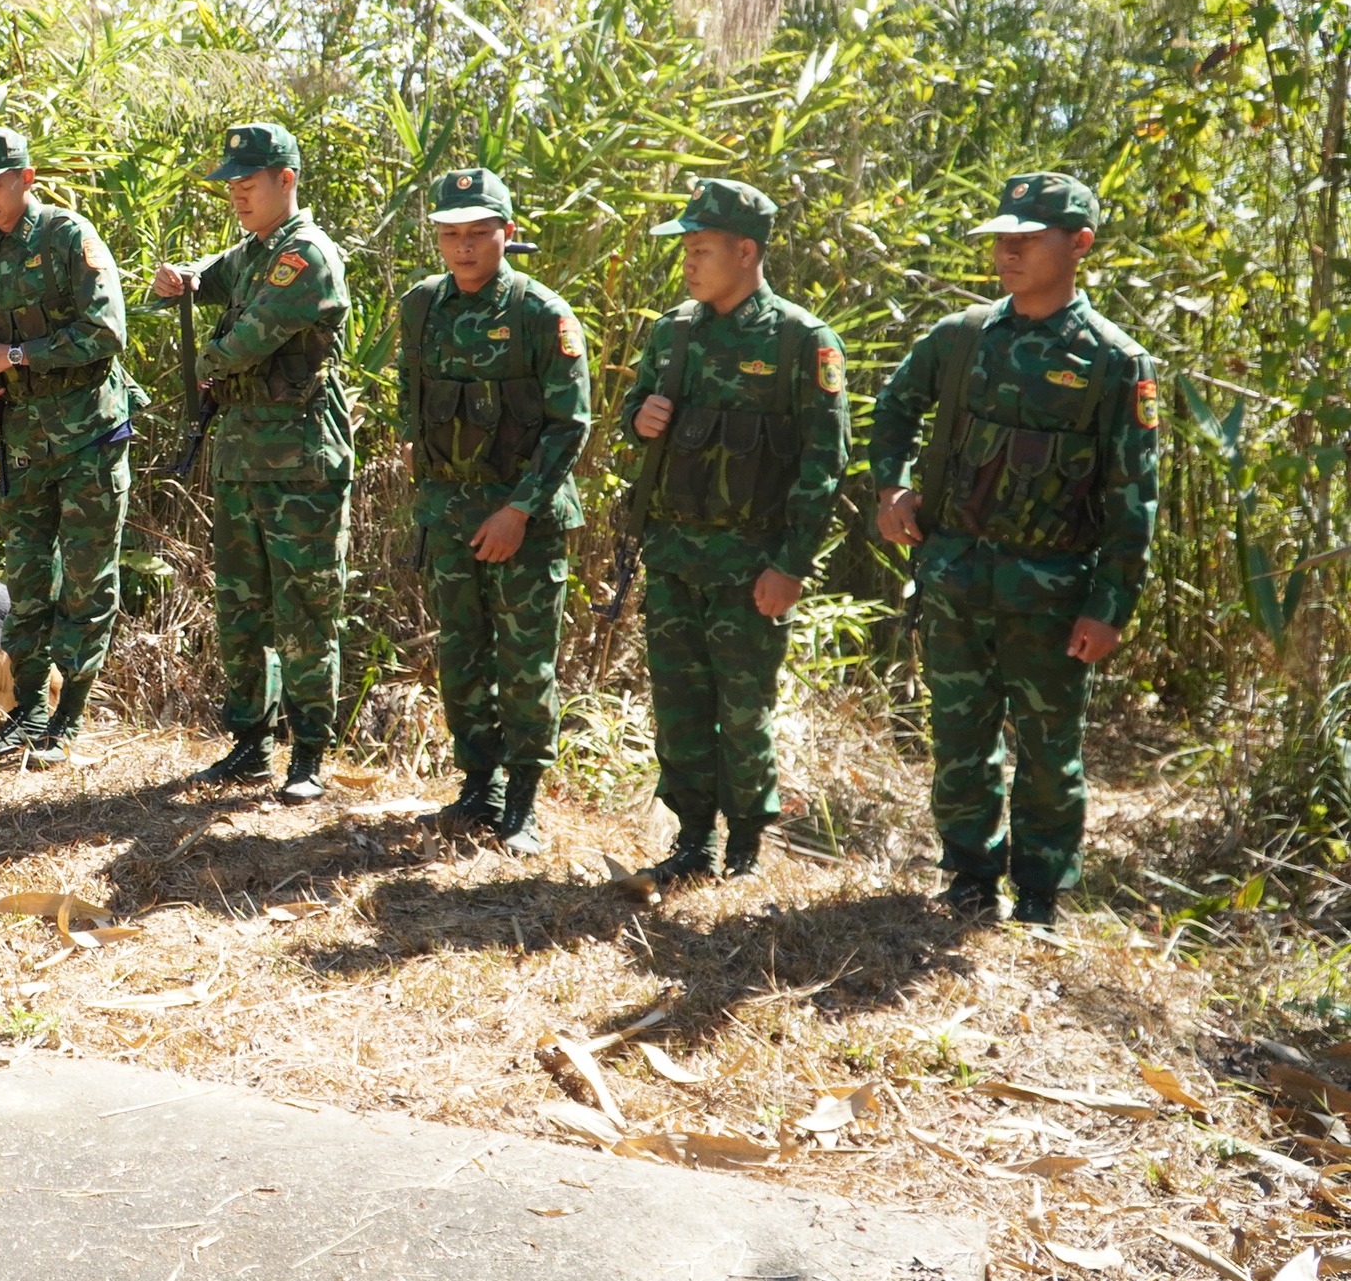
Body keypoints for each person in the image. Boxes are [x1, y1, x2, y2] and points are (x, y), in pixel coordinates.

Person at [871, 173, 1156, 924]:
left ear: (1080, 245)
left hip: (1053, 591)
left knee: (1048, 750)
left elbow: (1134, 498)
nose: (1007, 251)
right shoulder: (961, 337)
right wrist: (890, 488)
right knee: (959, 735)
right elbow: (894, 406)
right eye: (1002, 238)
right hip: (956, 575)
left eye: (1027, 240)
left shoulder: (1113, 361)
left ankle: (1039, 895)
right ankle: (968, 878)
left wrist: (1110, 606)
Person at [619, 179, 848, 890]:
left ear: (746, 251)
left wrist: (792, 565)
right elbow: (637, 407)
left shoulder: (800, 341)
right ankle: (692, 838)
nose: (688, 262)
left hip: (751, 563)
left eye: (701, 248)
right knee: (680, 702)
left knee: (742, 709)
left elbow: (824, 463)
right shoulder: (673, 330)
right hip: (676, 554)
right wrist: (640, 417)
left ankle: (745, 840)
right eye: (685, 249)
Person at [151, 122, 353, 804]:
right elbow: (214, 275)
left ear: (286, 180)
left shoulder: (307, 255)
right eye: (230, 184)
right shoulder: (258, 249)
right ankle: (249, 744)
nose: (236, 194)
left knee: (304, 609)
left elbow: (248, 340)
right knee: (241, 608)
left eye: (248, 182)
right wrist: (184, 278)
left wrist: (205, 360)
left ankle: (310, 755)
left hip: (300, 459)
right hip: (243, 454)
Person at [0, 127, 143, 768]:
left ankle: (67, 720)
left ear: (26, 179)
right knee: (25, 583)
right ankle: (26, 715)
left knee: (84, 582)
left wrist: (15, 355)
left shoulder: (67, 237)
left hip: (88, 442)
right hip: (20, 446)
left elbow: (107, 331)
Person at [399, 169, 591, 851]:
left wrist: (519, 511)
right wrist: (423, 495)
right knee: (461, 655)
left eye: (479, 232)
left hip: (522, 519)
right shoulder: (421, 305)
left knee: (525, 662)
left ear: (507, 234)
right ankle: (477, 789)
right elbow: (412, 404)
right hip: (448, 512)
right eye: (451, 234)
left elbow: (570, 425)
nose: (464, 246)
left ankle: (524, 805)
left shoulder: (542, 315)